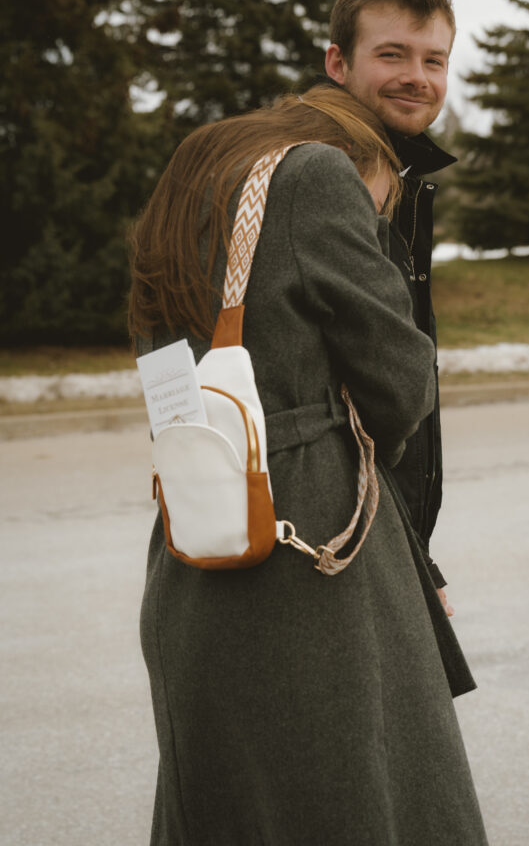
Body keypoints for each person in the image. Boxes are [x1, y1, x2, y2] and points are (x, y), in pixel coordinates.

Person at [129, 84, 488, 844]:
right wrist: (358, 450)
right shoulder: (320, 171)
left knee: (226, 787)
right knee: (353, 782)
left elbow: (158, 351)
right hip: (313, 522)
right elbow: (397, 370)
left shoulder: (193, 167)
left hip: (195, 511)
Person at [322, 0, 458, 612]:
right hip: (337, 529)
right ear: (337, 62)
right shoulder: (328, 173)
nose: (418, 76)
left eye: (434, 59)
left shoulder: (395, 172)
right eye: (391, 54)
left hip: (375, 526)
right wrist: (403, 554)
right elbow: (380, 388)